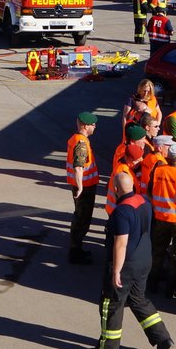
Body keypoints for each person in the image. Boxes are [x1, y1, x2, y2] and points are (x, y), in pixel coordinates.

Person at [91, 173, 175, 349]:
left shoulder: (121, 211)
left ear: (115, 189)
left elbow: (121, 243)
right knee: (138, 299)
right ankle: (162, 338)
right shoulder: (143, 201)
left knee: (111, 303)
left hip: (127, 263)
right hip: (144, 260)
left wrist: (116, 270)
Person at [148, 143, 176, 295]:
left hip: (160, 216)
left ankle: (153, 283)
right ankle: (171, 288)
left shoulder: (158, 170)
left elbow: (150, 191)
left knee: (158, 251)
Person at [66, 112, 101, 265]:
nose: (95, 127)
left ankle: (77, 248)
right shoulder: (81, 143)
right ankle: (75, 251)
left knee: (80, 217)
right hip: (84, 188)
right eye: (93, 125)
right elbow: (79, 166)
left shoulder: (76, 139)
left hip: (83, 186)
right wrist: (80, 187)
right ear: (86, 126)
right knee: (82, 219)